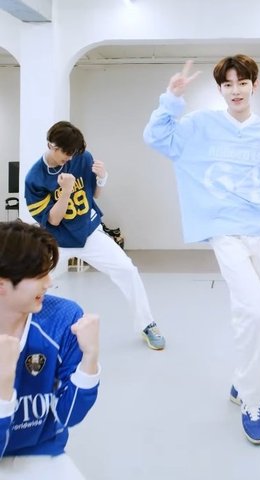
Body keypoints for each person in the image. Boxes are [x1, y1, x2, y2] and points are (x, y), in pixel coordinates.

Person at [143, 55, 260, 444]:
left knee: (252, 313)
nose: (235, 91)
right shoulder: (202, 125)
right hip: (224, 231)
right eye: (227, 84)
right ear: (220, 89)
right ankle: (251, 401)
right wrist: (171, 99)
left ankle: (243, 381)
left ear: (255, 85)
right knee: (256, 311)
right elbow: (157, 138)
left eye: (242, 83)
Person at [25, 121, 165, 350]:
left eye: (73, 153)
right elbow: (54, 220)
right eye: (66, 153)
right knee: (31, 281)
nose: (70, 158)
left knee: (127, 270)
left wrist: (102, 178)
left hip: (89, 233)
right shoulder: (34, 178)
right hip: (58, 242)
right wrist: (66, 191)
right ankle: (21, 328)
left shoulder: (82, 157)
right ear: (51, 145)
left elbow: (95, 194)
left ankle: (146, 324)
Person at [0, 221, 100, 480]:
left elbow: (69, 416)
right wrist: (3, 385)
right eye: (39, 275)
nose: (49, 283)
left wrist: (90, 360)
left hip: (41, 451)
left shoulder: (64, 317)